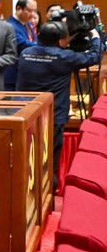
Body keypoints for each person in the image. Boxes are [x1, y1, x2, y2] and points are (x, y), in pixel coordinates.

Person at [17, 18, 103, 189]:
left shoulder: (25, 54)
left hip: (26, 115)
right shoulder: (64, 57)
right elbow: (95, 56)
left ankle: (27, 191)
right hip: (53, 117)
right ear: (60, 40)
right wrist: (94, 35)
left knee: (27, 157)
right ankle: (48, 193)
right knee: (50, 159)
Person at [5, 0, 38, 90]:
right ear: (19, 8)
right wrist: (44, 46)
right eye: (29, 10)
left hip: (27, 73)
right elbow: (23, 44)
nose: (33, 14)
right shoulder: (9, 26)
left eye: (34, 11)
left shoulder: (28, 24)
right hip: (13, 74)